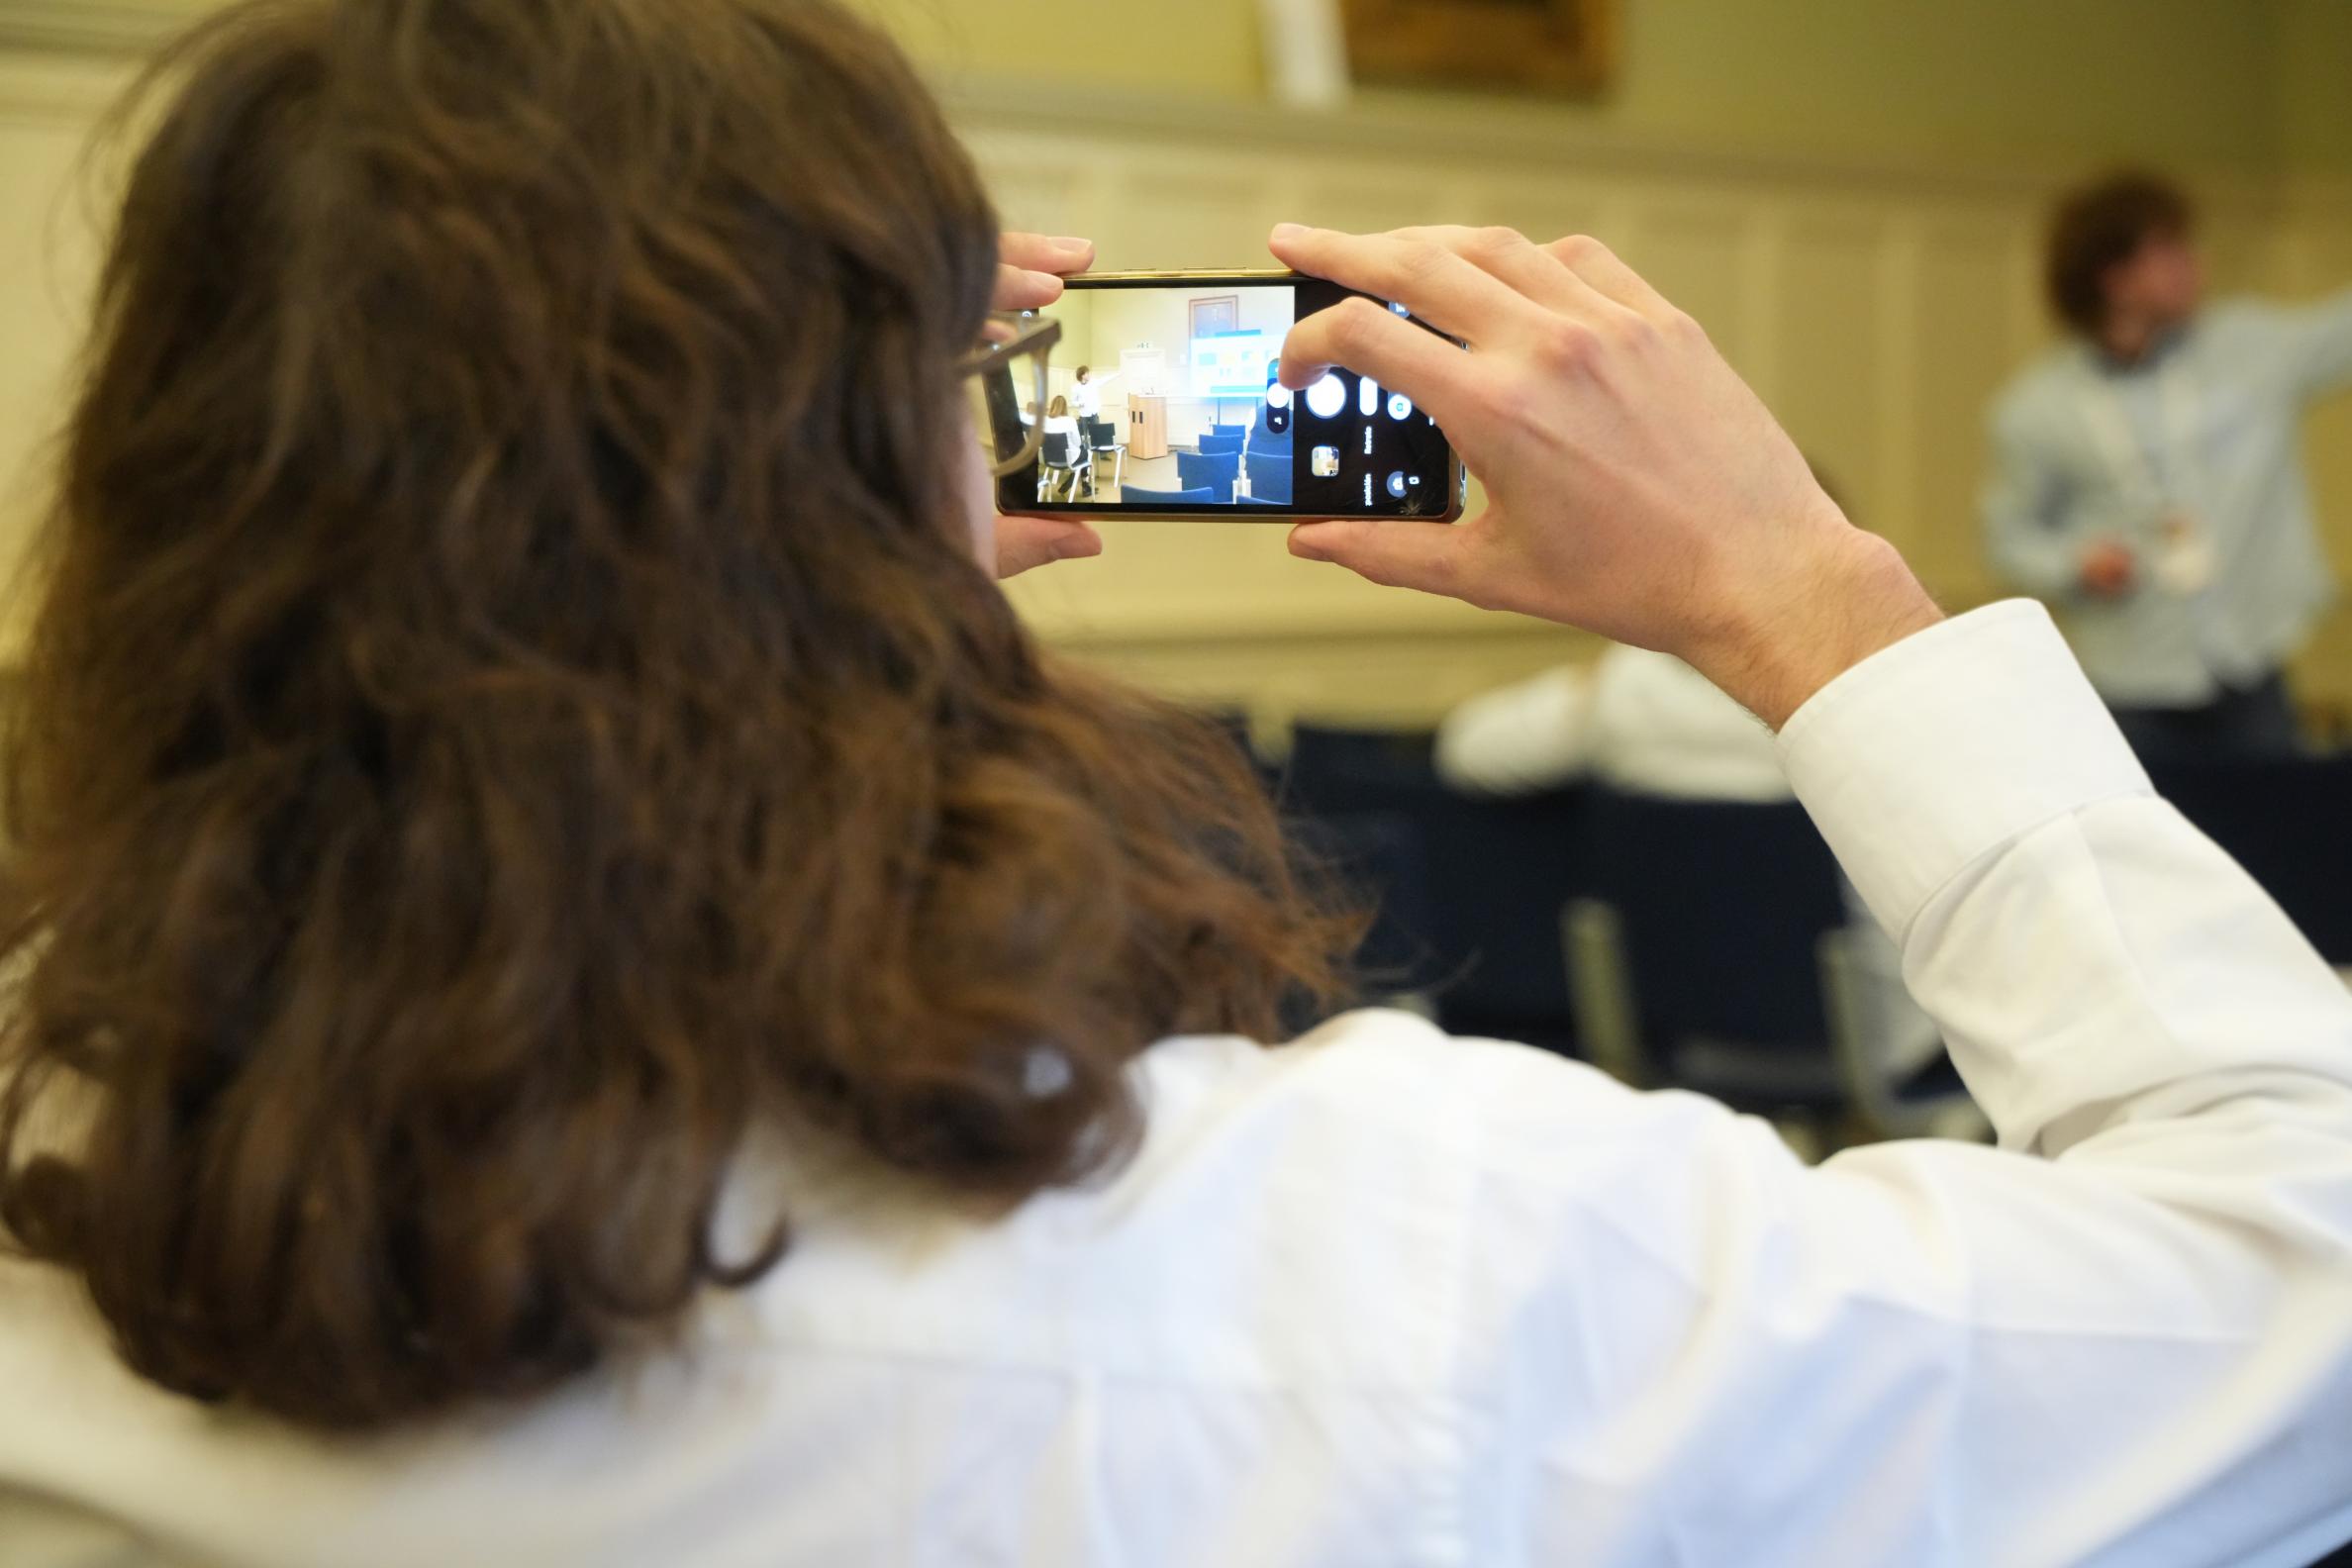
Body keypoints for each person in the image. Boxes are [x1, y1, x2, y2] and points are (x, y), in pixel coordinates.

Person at [4, 8, 2351, 1568]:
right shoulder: (1387, 1257)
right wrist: (1806, 587)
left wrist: (820, 556)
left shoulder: (49, 1166)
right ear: (890, 477)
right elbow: (2302, 1308)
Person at [1436, 643, 1952, 1094]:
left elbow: (1469, 752)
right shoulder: (1868, 698)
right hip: (1891, 1049)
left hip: (1687, 1046)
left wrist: (1591, 685)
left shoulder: (1626, 693)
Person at [1983, 170, 2352, 760]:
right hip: (2131, 685)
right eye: (2170, 250)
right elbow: (2009, 540)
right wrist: (2075, 562)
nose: (2195, 263)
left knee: (2272, 818)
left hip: (2250, 670)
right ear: (2116, 277)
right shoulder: (2036, 409)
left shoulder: (2247, 349)